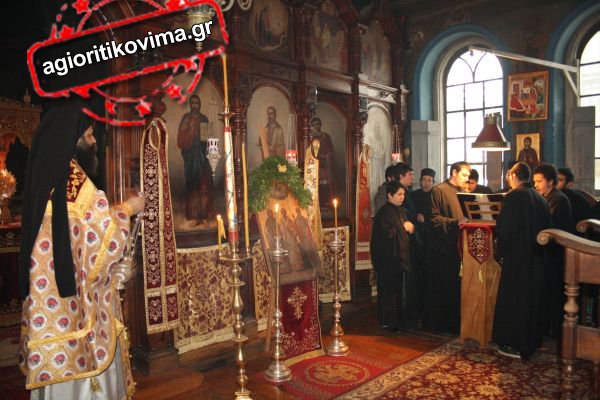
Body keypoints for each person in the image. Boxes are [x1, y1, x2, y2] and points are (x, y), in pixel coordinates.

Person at [18, 101, 144, 399]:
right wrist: (129, 208)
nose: (94, 142)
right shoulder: (75, 184)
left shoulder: (45, 179)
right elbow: (102, 239)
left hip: (49, 307)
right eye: (88, 135)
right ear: (73, 141)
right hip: (77, 309)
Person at [493, 162, 552, 360]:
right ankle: (531, 343)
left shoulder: (513, 197)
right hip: (537, 258)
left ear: (513, 176)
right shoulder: (540, 198)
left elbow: (505, 229)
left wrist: (499, 252)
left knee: (515, 301)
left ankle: (514, 344)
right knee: (532, 301)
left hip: (517, 260)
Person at [424, 161, 470, 334]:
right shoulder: (438, 191)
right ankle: (440, 325)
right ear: (454, 173)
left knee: (456, 288)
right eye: (464, 175)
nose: (466, 179)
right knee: (443, 287)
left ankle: (456, 323)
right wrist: (455, 222)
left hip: (459, 247)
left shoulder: (464, 192)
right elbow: (434, 219)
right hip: (442, 249)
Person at [533, 163, 574, 339]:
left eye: (539, 181)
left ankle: (555, 333)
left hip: (555, 254)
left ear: (550, 181)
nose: (536, 185)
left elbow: (548, 226)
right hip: (549, 252)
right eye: (534, 181)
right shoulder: (546, 197)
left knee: (552, 294)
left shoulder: (558, 199)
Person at [370, 180, 413, 332]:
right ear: (389, 195)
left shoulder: (401, 211)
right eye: (399, 194)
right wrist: (403, 228)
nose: (402, 197)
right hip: (387, 261)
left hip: (399, 260)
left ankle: (399, 321)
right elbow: (385, 236)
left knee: (398, 292)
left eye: (403, 194)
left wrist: (407, 229)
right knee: (388, 293)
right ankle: (388, 322)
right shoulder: (383, 213)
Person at [177, 94, 211, 226]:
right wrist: (190, 132)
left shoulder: (204, 119)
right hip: (190, 157)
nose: (195, 105)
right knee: (192, 185)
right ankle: (193, 215)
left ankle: (203, 215)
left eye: (197, 103)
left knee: (204, 184)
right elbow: (180, 140)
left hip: (202, 157)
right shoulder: (186, 119)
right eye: (193, 103)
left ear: (200, 104)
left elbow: (206, 139)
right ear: (190, 104)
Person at [310, 117, 335, 208]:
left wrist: (325, 156)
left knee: (325, 184)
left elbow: (330, 151)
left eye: (317, 124)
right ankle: (318, 204)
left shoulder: (326, 136)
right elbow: (310, 152)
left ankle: (327, 203)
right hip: (314, 164)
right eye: (314, 125)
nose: (316, 126)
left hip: (325, 163)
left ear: (320, 125)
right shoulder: (311, 137)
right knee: (317, 184)